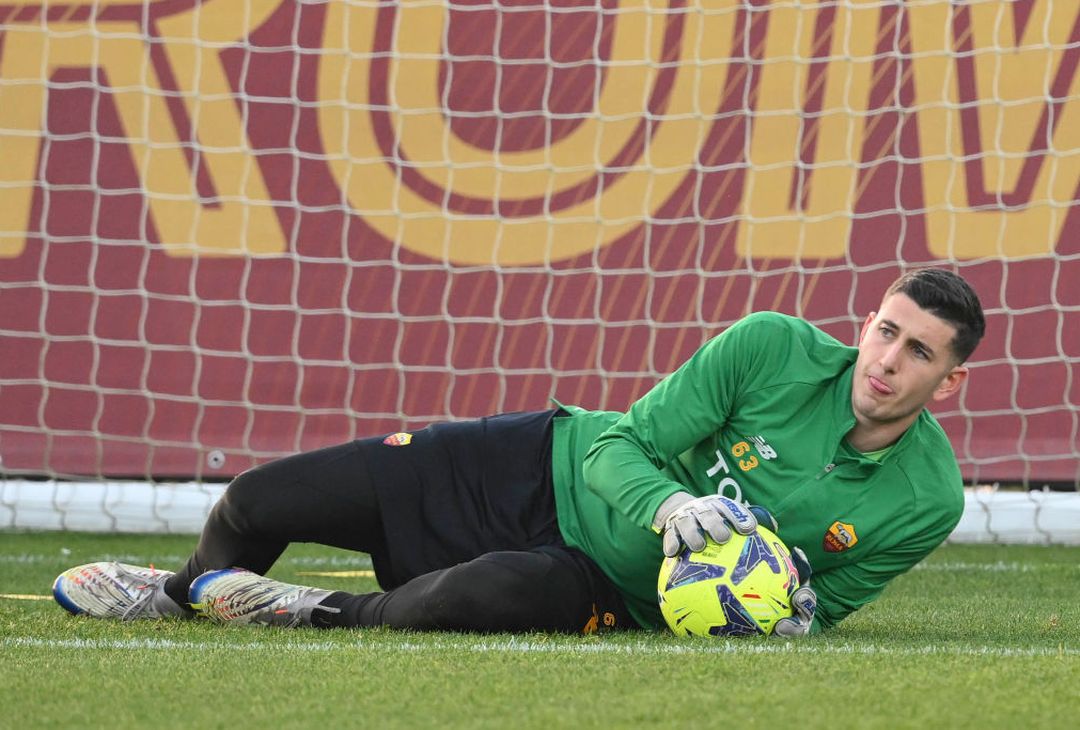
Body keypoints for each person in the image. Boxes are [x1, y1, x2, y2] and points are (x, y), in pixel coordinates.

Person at [52, 268, 985, 637]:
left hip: (604, 583)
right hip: (538, 460)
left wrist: (784, 614)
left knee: (485, 594)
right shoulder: (772, 346)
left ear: (948, 383)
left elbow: (831, 606)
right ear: (865, 323)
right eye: (885, 332)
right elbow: (621, 445)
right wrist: (670, 508)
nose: (887, 362)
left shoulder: (928, 499)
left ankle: (313, 610)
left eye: (918, 353)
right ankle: (174, 595)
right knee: (257, 501)